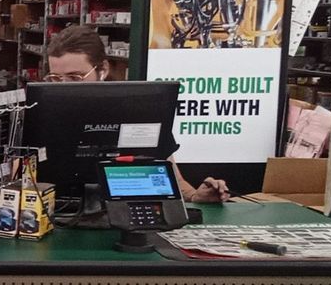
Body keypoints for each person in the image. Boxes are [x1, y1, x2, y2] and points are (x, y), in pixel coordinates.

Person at [45, 25, 231, 204]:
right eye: (55, 78)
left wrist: (196, 196)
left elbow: (174, 181)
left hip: (129, 214)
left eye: (75, 77)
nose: (63, 86)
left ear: (103, 70)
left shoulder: (140, 112)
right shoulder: (40, 116)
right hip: (54, 215)